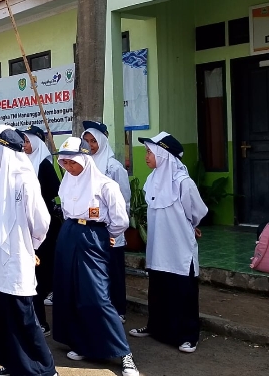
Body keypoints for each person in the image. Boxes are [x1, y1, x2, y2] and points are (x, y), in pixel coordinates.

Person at [51, 137, 139, 376]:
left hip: (93, 235)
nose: (68, 167)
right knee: (70, 291)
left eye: (72, 163)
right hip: (68, 233)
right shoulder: (67, 182)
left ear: (84, 160)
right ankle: (82, 344)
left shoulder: (105, 185)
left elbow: (120, 219)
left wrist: (106, 235)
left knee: (97, 295)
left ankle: (124, 354)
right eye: (64, 163)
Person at [0, 125, 57, 376]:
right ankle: (13, 364)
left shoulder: (25, 178)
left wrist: (30, 247)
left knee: (23, 317)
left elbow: (41, 221)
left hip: (18, 258)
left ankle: (45, 368)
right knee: (4, 315)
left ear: (3, 151)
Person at [129, 132, 208, 354]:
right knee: (159, 288)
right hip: (158, 246)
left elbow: (197, 211)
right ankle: (156, 328)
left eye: (149, 152)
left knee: (183, 291)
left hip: (179, 246)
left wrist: (189, 226)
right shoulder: (152, 180)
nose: (146, 156)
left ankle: (188, 336)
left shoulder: (183, 182)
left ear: (164, 155)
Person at [82, 121, 131, 322]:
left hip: (111, 227)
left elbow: (124, 198)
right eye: (87, 141)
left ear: (102, 141)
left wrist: (115, 228)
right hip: (92, 228)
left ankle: (118, 309)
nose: (90, 145)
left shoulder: (113, 167)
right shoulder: (85, 164)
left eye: (94, 141)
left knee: (114, 270)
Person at [17, 126, 61, 335]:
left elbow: (54, 189)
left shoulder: (43, 163)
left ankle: (43, 318)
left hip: (43, 220)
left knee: (41, 266)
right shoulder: (25, 162)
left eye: (26, 141)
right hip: (28, 221)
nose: (24, 145)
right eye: (23, 142)